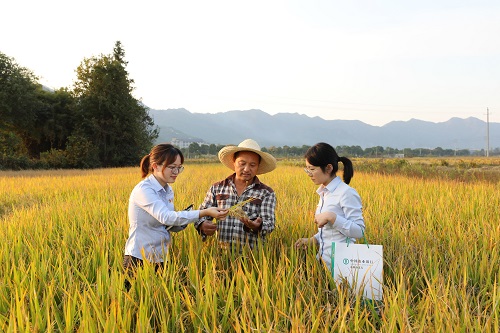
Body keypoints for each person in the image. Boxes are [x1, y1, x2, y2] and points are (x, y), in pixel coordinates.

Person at [123, 143, 228, 272]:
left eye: (179, 168)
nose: (176, 172)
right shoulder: (144, 190)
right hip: (139, 257)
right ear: (155, 166)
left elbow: (168, 224)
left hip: (160, 256)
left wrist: (184, 222)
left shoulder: (168, 190)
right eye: (172, 167)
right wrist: (203, 212)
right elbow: (166, 217)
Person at [194, 139, 277, 250]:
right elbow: (201, 214)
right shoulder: (217, 188)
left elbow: (270, 224)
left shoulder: (266, 193)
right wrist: (202, 225)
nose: (247, 169)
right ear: (234, 162)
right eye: (242, 164)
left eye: (252, 165)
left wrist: (258, 226)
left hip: (251, 257)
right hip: (221, 254)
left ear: (258, 166)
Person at [294, 142, 365, 270]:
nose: (309, 173)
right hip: (323, 262)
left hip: (341, 266)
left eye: (312, 169)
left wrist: (332, 217)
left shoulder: (346, 193)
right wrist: (313, 240)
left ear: (328, 168)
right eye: (307, 169)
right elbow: (330, 232)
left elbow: (359, 231)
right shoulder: (324, 193)